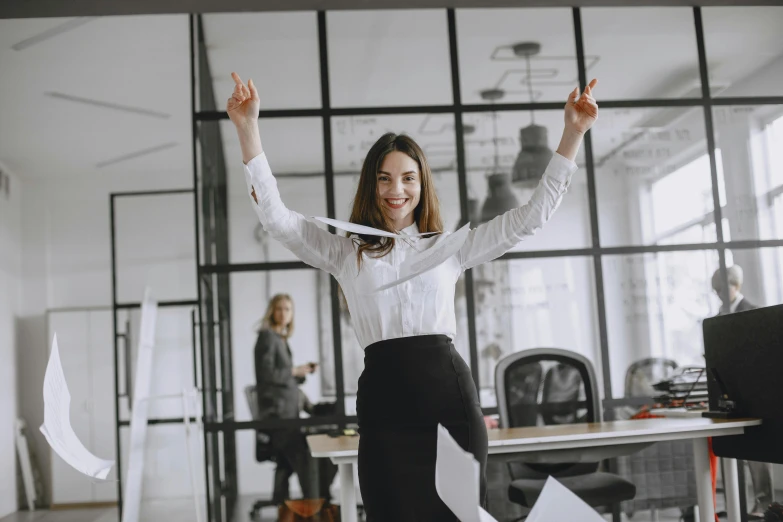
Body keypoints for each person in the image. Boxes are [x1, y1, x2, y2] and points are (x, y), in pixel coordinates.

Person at [230, 71, 599, 521]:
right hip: (385, 407)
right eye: (384, 179)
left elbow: (530, 218)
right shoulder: (346, 253)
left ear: (422, 183)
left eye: (407, 178)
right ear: (372, 185)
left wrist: (572, 134)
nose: (396, 191)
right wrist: (248, 129)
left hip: (450, 402)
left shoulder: (450, 248)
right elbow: (278, 220)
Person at [254, 293, 336, 504]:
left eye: (288, 309)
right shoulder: (267, 337)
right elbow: (267, 375)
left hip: (286, 413)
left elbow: (281, 377)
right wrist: (294, 371)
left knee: (315, 446)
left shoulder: (279, 338)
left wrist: (301, 372)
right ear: (272, 311)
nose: (283, 313)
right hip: (278, 416)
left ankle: (318, 498)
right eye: (279, 308)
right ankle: (317, 501)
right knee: (309, 453)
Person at [711, 265, 772, 513]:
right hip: (729, 394)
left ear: (735, 286)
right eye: (715, 290)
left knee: (758, 452)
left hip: (756, 393)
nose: (717, 294)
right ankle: (738, 505)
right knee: (731, 449)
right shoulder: (716, 318)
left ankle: (764, 503)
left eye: (721, 288)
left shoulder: (756, 312)